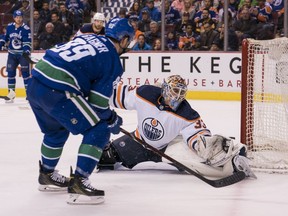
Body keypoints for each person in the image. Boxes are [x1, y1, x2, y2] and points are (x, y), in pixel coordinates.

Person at [26, 17, 134, 205]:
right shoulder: (112, 59)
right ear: (124, 40)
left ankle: (47, 174)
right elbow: (99, 105)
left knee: (56, 131)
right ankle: (80, 183)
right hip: (58, 89)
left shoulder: (89, 37)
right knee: (99, 129)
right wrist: (112, 119)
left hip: (35, 83)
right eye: (129, 41)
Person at [98, 75, 257, 179]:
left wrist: (205, 145)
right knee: (106, 157)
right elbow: (119, 96)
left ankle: (234, 159)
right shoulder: (145, 93)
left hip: (168, 148)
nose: (178, 97)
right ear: (166, 89)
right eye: (175, 91)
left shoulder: (186, 112)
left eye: (182, 93)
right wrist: (98, 96)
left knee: (202, 165)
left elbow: (197, 135)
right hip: (139, 141)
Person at [0, 10, 31, 103]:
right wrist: (1, 43)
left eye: (20, 17)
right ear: (14, 18)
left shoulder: (26, 28)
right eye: (17, 17)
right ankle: (11, 95)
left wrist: (26, 50)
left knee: (25, 74)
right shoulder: (9, 27)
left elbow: (27, 42)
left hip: (22, 54)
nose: (19, 19)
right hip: (12, 54)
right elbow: (5, 37)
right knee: (10, 74)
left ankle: (29, 95)